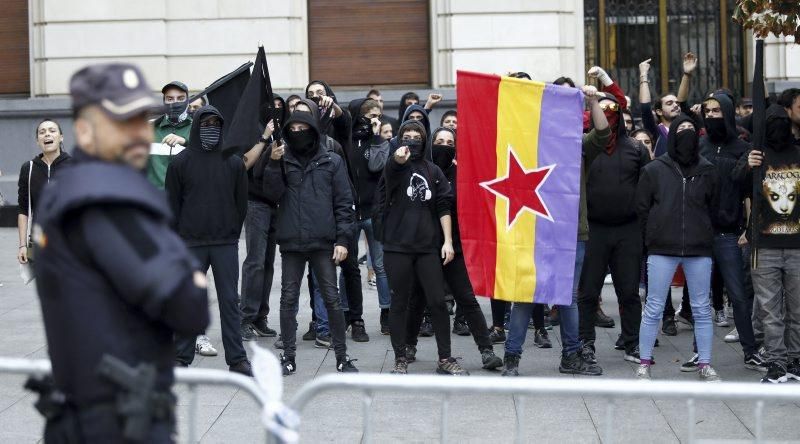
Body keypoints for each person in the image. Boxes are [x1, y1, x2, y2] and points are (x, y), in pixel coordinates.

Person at [31, 63, 209, 442]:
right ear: (84, 131)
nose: (135, 134)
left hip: (86, 410)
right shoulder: (109, 202)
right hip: (118, 422)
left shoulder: (68, 189)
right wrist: (189, 275)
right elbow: (188, 306)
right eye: (119, 122)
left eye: (139, 119)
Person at [502, 85, 609, 377]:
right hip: (532, 229)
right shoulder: (528, 142)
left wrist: (594, 101)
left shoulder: (576, 144)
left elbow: (603, 135)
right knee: (526, 294)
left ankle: (570, 357)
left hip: (572, 233)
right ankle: (511, 359)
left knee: (567, 297)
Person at [263, 111, 359, 375]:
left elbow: (343, 203)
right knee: (288, 299)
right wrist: (272, 164)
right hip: (292, 241)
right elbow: (271, 194)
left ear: (314, 130)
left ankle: (342, 356)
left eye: (303, 127)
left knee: (332, 298)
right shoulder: (282, 159)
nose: (298, 132)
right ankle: (288, 357)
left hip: (324, 241)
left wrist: (343, 240)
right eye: (292, 128)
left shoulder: (332, 161)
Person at [404, 127, 504, 370]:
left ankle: (486, 351)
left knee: (467, 299)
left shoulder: (463, 174)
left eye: (449, 142)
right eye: (439, 141)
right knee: (417, 299)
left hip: (454, 247)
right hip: (425, 247)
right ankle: (408, 345)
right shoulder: (420, 171)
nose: (443, 145)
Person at [166, 105, 253, 377]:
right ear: (196, 127)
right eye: (206, 124)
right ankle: (182, 356)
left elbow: (241, 204)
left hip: (224, 243)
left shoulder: (234, 161)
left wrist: (230, 230)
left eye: (216, 123)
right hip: (190, 244)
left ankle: (237, 359)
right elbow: (172, 205)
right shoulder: (180, 162)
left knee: (230, 301)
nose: (211, 129)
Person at [635, 114, 721, 382]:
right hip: (662, 248)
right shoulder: (654, 169)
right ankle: (644, 362)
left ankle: (704, 363)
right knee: (653, 307)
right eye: (680, 128)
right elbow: (642, 208)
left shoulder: (708, 169)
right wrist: (653, 236)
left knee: (701, 309)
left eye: (690, 129)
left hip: (698, 249)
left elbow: (714, 207)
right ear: (671, 135)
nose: (685, 133)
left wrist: (705, 233)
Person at [381, 120, 466, 376]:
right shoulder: (393, 165)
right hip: (397, 246)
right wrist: (397, 160)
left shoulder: (433, 171)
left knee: (438, 302)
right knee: (400, 302)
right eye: (406, 136)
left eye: (416, 137)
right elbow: (390, 175)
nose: (411, 141)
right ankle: (400, 357)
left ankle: (445, 357)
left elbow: (443, 206)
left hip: (428, 246)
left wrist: (448, 241)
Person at [695, 92, 765, 372]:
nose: (711, 115)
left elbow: (753, 195)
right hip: (700, 232)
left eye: (716, 111)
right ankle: (698, 354)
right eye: (707, 111)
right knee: (699, 298)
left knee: (738, 295)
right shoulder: (699, 146)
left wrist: (748, 229)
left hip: (729, 233)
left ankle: (750, 351)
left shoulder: (743, 148)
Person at [578, 91, 649, 366]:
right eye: (601, 108)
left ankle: (632, 343)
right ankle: (586, 344)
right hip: (594, 230)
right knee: (588, 292)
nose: (607, 114)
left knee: (629, 291)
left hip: (628, 230)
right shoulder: (586, 147)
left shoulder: (636, 149)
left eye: (612, 109)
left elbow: (646, 191)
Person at [735, 102, 800, 383]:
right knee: (769, 310)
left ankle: (795, 359)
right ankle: (776, 361)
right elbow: (735, 184)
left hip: (797, 246)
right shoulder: (756, 156)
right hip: (764, 246)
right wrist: (748, 166)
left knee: (797, 309)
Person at [239, 96, 286, 342]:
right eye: (272, 106)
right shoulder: (253, 131)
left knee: (268, 263)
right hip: (255, 203)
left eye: (281, 107)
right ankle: (245, 318)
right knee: (255, 262)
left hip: (277, 203)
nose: (276, 111)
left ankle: (260, 316)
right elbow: (244, 165)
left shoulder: (288, 131)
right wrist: (265, 137)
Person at [344, 98, 391, 336]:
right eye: (371, 115)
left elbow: (375, 166)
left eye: (378, 116)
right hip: (351, 212)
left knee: (380, 266)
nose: (376, 120)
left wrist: (375, 137)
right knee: (349, 265)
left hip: (374, 211)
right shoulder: (347, 140)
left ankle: (386, 313)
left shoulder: (380, 141)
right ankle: (349, 315)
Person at [17, 119, 72, 267]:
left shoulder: (75, 166)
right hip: (38, 241)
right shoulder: (28, 169)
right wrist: (22, 245)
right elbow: (23, 209)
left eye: (52, 131)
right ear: (37, 141)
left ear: (61, 137)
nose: (47, 134)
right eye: (42, 132)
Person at [639, 54, 697, 157]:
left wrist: (687, 74)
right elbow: (645, 107)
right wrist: (643, 75)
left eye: (676, 103)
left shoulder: (687, 127)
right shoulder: (656, 132)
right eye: (669, 103)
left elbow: (682, 101)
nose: (675, 105)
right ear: (659, 111)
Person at [147, 80, 192, 189]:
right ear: (164, 102)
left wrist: (185, 141)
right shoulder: (150, 129)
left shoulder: (197, 128)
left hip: (185, 199)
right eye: (170, 99)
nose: (175, 103)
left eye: (180, 98)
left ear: (188, 101)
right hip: (156, 198)